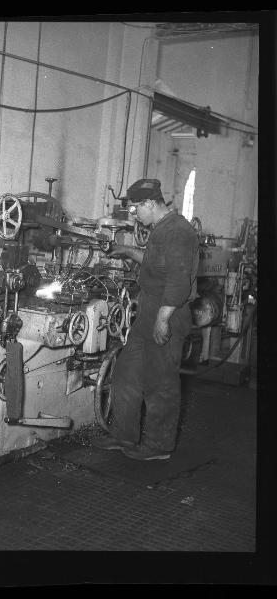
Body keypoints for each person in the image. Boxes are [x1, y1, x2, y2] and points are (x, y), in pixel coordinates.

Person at [93, 178, 199, 460]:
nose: (134, 214)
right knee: (126, 372)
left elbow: (178, 281)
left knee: (160, 380)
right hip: (151, 308)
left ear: (150, 204)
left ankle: (158, 446)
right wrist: (126, 251)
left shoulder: (178, 231)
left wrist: (163, 319)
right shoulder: (161, 229)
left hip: (168, 310)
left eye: (135, 209)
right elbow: (157, 266)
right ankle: (124, 435)